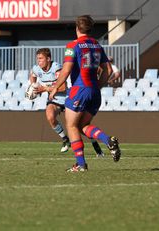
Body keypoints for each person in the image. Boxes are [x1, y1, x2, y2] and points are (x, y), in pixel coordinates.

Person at [49, 15, 122, 172]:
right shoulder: (97, 45)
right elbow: (108, 69)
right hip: (94, 91)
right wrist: (98, 86)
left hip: (80, 89)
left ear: (77, 28)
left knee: (72, 125)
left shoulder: (72, 45)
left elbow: (67, 69)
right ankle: (108, 140)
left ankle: (81, 164)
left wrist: (55, 86)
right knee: (83, 126)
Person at [30, 48, 104, 156]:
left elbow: (63, 87)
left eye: (41, 58)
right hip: (54, 100)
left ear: (48, 59)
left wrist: (45, 89)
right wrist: (33, 86)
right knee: (50, 116)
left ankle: (94, 143)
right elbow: (32, 75)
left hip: (68, 98)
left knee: (78, 126)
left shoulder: (56, 68)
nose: (38, 61)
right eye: (37, 59)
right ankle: (65, 139)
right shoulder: (36, 69)